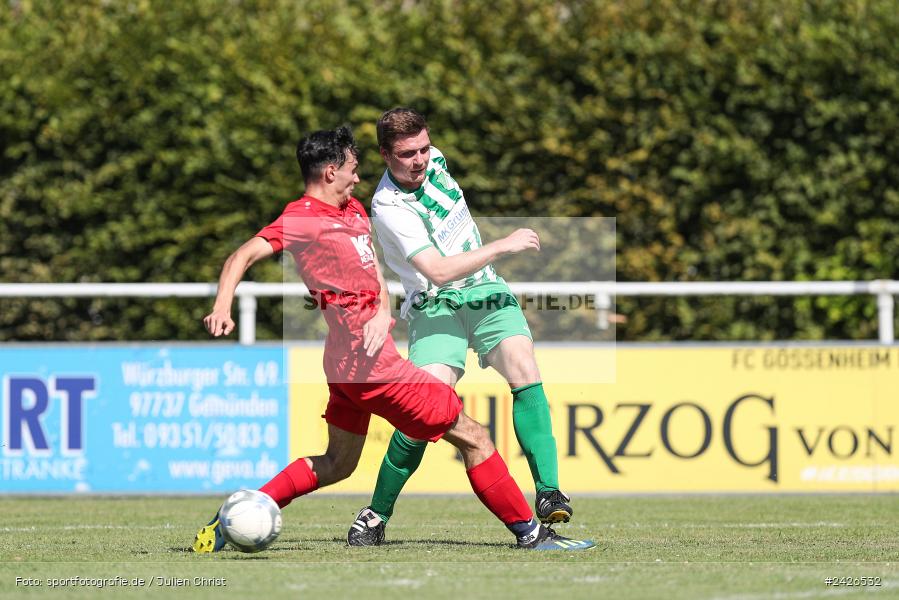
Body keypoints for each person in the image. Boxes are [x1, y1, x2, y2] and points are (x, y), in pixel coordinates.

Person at [192, 125, 593, 552]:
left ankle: (238, 512)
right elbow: (243, 254)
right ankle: (532, 535)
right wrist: (222, 306)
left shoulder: (352, 211)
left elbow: (374, 274)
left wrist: (383, 313)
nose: (358, 178)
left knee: (338, 464)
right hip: (373, 369)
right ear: (330, 171)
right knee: (474, 435)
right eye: (352, 168)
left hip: (348, 367)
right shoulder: (304, 217)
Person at [346, 108, 574, 547]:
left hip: (485, 292)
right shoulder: (389, 205)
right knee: (424, 409)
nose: (420, 160)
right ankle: (375, 514)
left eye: (424, 148)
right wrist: (504, 245)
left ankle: (548, 493)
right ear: (384, 155)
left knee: (524, 367)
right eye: (407, 153)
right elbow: (438, 272)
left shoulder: (437, 161)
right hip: (436, 304)